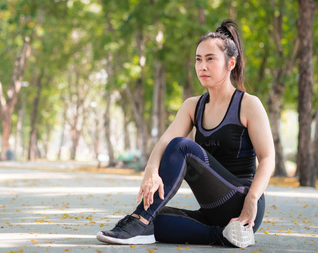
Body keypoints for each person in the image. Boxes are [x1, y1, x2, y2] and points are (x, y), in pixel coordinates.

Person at [96, 19, 275, 248]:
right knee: (156, 219)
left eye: (211, 59)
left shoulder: (248, 104)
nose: (203, 66)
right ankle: (223, 235)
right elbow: (166, 140)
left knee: (184, 146)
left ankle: (138, 220)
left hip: (242, 203)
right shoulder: (193, 106)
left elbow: (268, 158)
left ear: (231, 63)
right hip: (213, 211)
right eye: (198, 60)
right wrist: (151, 170)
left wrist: (252, 199)